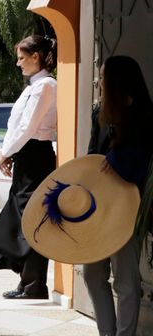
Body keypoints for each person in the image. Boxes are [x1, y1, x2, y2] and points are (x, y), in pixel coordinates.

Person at [0, 34, 57, 299]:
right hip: (28, 156)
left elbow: (29, 127)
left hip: (37, 158)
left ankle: (34, 284)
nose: (18, 64)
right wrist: (11, 154)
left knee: (33, 219)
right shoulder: (34, 86)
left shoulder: (45, 86)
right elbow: (19, 126)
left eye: (22, 58)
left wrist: (4, 153)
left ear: (36, 57)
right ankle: (27, 281)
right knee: (21, 217)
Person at [83, 55, 153, 336]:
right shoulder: (99, 113)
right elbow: (92, 156)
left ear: (116, 82)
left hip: (129, 208)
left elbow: (140, 164)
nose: (99, 82)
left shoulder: (146, 115)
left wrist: (115, 159)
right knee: (92, 273)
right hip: (99, 205)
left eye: (103, 77)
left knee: (125, 280)